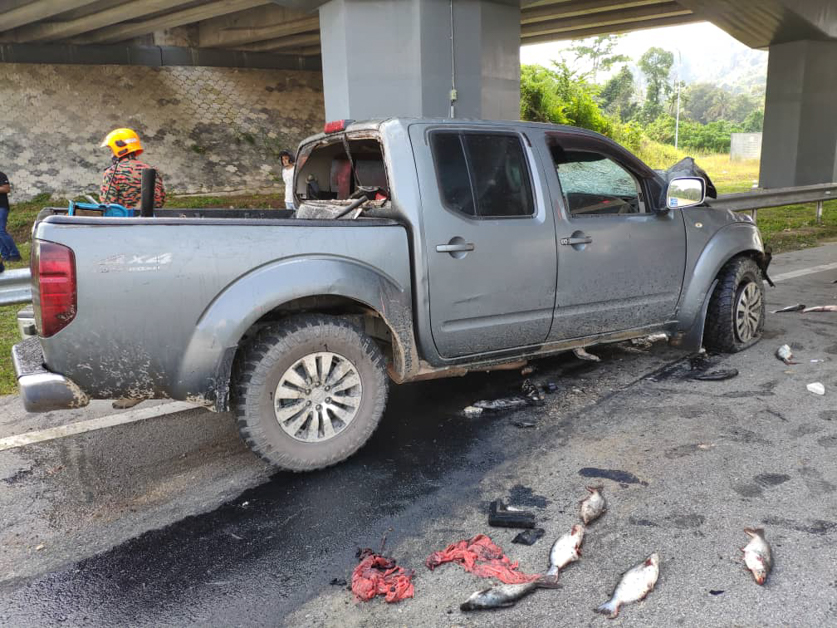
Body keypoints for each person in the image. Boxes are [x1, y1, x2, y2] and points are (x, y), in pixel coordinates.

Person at [100, 128, 166, 210]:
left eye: (111, 150)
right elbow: (160, 200)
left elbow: (108, 204)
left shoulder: (112, 172)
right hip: (151, 220)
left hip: (124, 220)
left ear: (118, 148)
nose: (111, 155)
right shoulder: (151, 170)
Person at [0, 170, 22, 267]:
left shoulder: (1, 175)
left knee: (1, 231)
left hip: (1, 207)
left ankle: (15, 254)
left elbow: (6, 189)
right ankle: (5, 255)